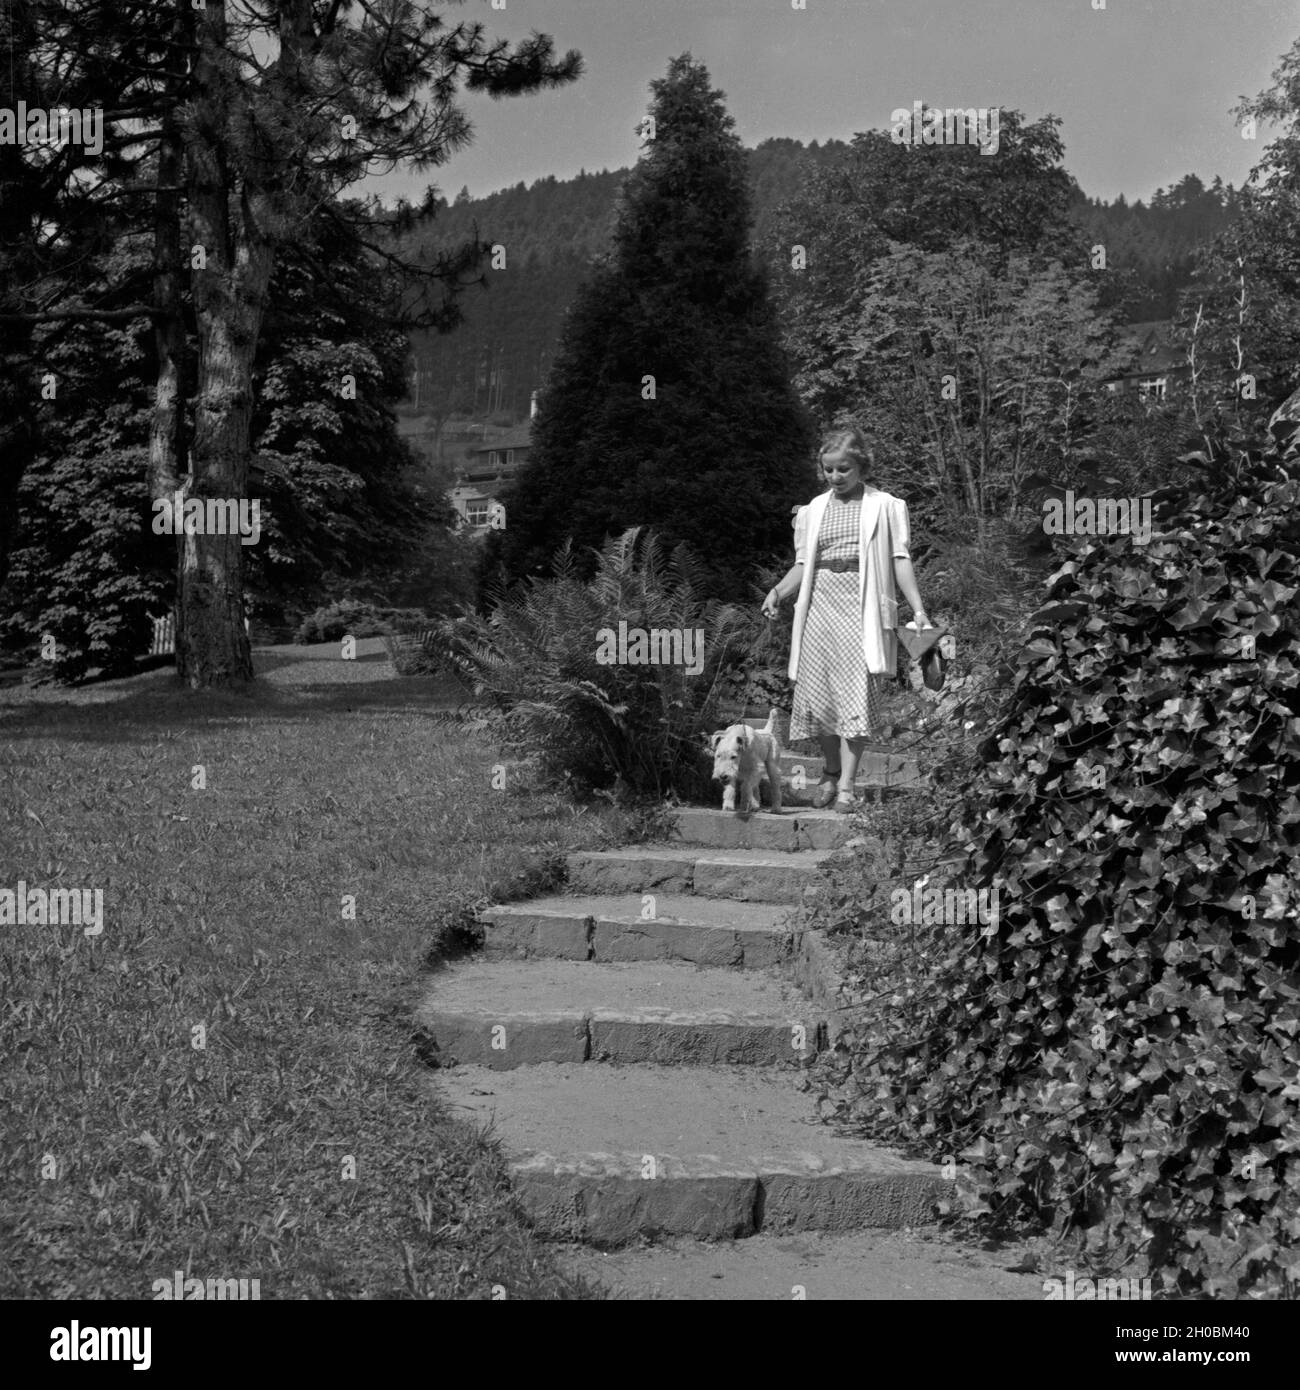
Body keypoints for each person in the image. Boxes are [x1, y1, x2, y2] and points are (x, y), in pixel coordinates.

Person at [761, 428, 933, 811]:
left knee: (857, 691)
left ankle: (847, 786)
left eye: (844, 469)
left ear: (861, 466)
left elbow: (899, 559)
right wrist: (777, 593)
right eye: (829, 470)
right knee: (820, 697)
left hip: (863, 605)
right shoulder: (813, 509)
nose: (836, 477)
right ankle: (831, 769)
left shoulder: (886, 505)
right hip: (820, 605)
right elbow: (803, 565)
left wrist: (918, 610)